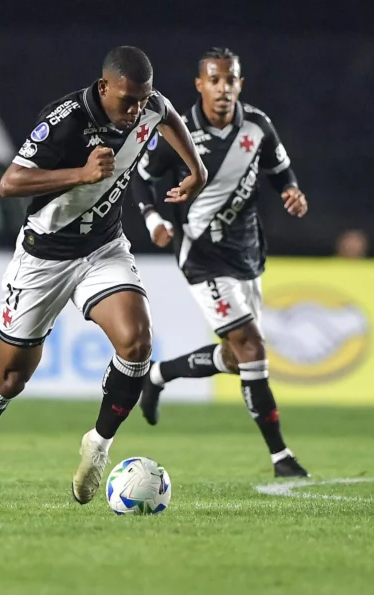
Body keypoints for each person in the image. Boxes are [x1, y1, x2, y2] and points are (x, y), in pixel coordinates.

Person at [0, 46, 208, 510]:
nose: (136, 109)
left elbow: (167, 114)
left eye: (141, 99)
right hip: (45, 257)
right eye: (127, 100)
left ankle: (99, 445)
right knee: (10, 378)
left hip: (103, 249)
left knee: (137, 342)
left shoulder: (149, 104)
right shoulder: (65, 121)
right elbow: (9, 183)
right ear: (104, 87)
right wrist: (81, 174)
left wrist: (196, 168)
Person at [132, 47, 310, 478]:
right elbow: (141, 175)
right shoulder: (181, 130)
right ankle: (281, 456)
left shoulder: (258, 126)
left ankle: (158, 376)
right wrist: (154, 218)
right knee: (252, 347)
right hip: (201, 254)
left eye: (230, 80)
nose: (223, 88)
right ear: (200, 85)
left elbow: (279, 171)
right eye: (214, 80)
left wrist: (291, 191)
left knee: (236, 358)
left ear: (239, 84)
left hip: (247, 252)